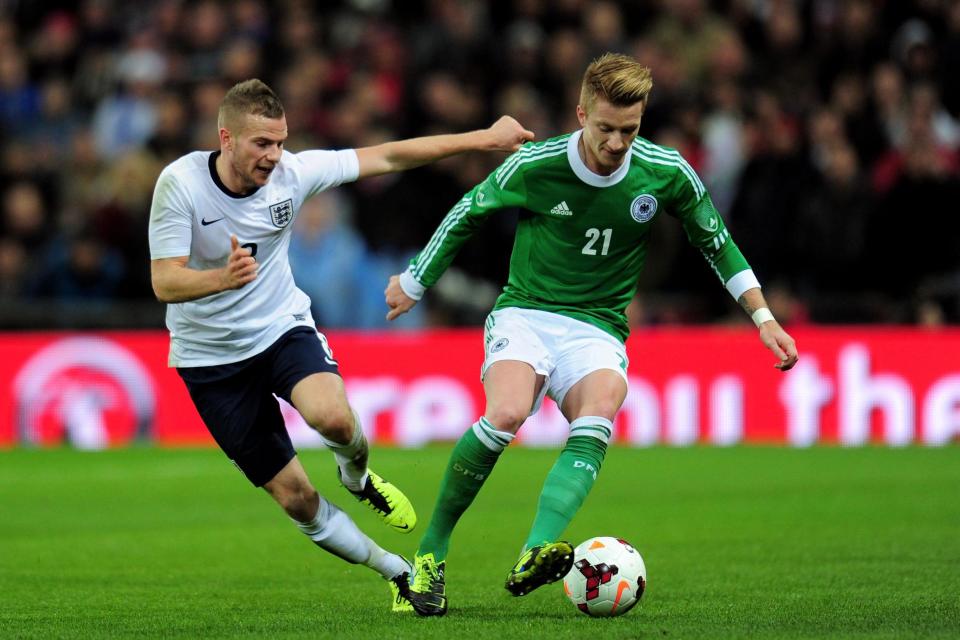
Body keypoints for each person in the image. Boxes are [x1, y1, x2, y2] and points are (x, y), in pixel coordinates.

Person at [384, 53, 799, 617]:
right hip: (526, 312)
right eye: (605, 128)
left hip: (598, 324)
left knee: (602, 404)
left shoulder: (667, 172)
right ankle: (429, 557)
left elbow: (716, 241)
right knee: (505, 413)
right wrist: (415, 280)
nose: (616, 142)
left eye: (629, 130)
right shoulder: (535, 164)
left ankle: (535, 550)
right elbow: (467, 211)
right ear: (581, 114)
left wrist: (763, 317)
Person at [148, 79, 533, 611]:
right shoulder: (181, 184)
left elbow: (389, 156)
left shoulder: (293, 175)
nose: (274, 156)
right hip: (210, 362)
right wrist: (222, 278)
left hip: (280, 329)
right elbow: (165, 282)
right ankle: (396, 572)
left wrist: (482, 139)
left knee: (335, 420)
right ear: (226, 138)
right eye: (262, 144)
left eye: (280, 142)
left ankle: (357, 478)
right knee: (297, 498)